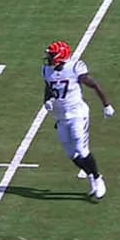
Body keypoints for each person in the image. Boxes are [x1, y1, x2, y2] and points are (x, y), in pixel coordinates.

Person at [43, 41, 114, 200]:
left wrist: (106, 105)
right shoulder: (47, 70)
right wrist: (47, 101)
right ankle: (91, 175)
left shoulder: (74, 67)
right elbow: (48, 88)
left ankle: (97, 178)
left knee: (81, 150)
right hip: (61, 117)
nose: (48, 58)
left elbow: (94, 85)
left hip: (77, 114)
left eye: (52, 55)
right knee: (71, 153)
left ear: (60, 56)